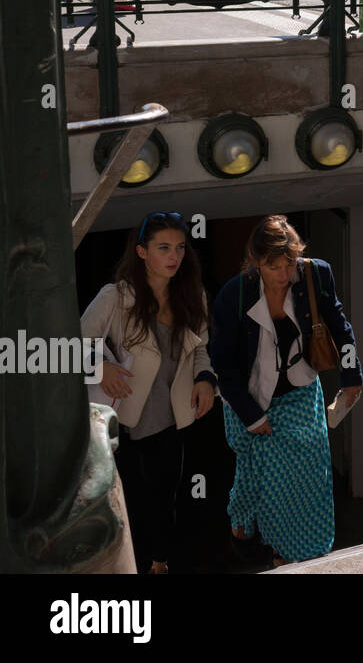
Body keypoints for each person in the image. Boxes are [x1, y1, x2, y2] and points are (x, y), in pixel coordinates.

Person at [209, 215, 363, 566]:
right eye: (273, 266)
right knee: (256, 477)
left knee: (305, 481)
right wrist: (253, 416)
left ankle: (291, 553)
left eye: (290, 262)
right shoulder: (233, 296)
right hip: (248, 398)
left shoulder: (315, 275)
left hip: (299, 393)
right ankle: (245, 534)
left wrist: (352, 375)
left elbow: (339, 326)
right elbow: (224, 366)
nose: (283, 273)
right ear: (255, 261)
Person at [81, 212, 217, 574]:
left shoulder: (193, 295)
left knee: (165, 505)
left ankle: (160, 564)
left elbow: (201, 346)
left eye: (180, 248)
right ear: (141, 252)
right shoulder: (115, 296)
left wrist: (206, 378)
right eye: (163, 248)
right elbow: (69, 344)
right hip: (122, 420)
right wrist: (101, 367)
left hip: (171, 418)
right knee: (125, 505)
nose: (174, 256)